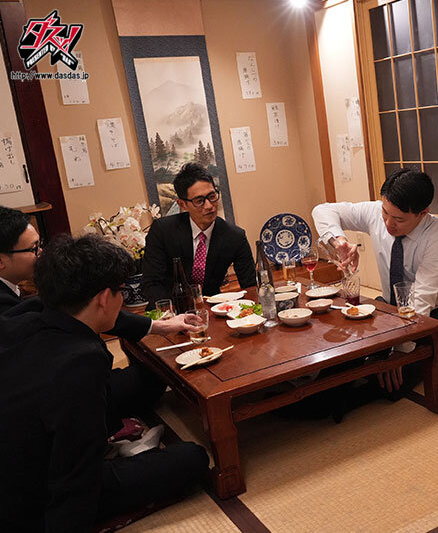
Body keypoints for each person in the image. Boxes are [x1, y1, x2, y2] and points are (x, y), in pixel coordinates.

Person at [0, 234, 208, 532]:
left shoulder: (29, 313)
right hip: (34, 497)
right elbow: (76, 475)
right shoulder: (79, 361)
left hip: (20, 461)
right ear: (102, 298)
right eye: (121, 291)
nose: (122, 300)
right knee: (191, 458)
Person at [0, 206, 202, 437]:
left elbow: (86, 309)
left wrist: (159, 326)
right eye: (34, 248)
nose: (42, 253)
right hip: (45, 413)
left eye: (40, 244)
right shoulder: (11, 316)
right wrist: (105, 427)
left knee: (152, 371)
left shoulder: (17, 290)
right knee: (155, 378)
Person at [312, 168, 438, 393]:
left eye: (399, 219)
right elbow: (322, 210)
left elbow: (422, 300)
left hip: (435, 314)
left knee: (398, 377)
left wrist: (399, 351)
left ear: (423, 213)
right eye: (385, 213)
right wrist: (339, 241)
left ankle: (343, 399)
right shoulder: (376, 212)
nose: (389, 223)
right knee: (347, 350)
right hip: (390, 307)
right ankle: (317, 394)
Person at [141, 162, 256, 305]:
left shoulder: (234, 236)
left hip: (212, 307)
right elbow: (151, 284)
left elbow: (250, 285)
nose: (209, 206)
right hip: (169, 309)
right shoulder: (162, 231)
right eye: (199, 201)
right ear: (182, 204)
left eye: (212, 196)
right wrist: (175, 312)